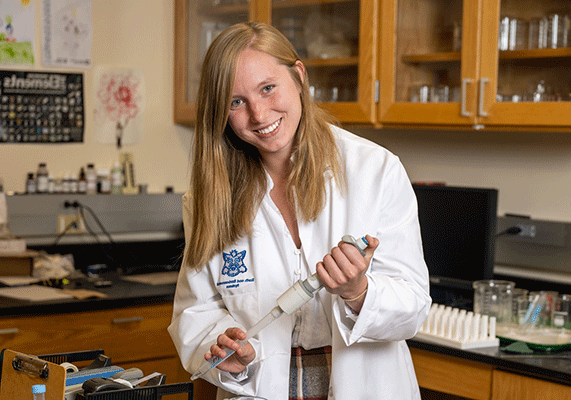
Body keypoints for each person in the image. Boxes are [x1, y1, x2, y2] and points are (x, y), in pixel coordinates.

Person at [168, 22, 431, 400]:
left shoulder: (374, 171)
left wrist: (358, 291)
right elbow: (195, 312)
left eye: (268, 88)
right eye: (235, 101)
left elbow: (413, 308)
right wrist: (223, 345)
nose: (259, 114)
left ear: (299, 76)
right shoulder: (209, 196)